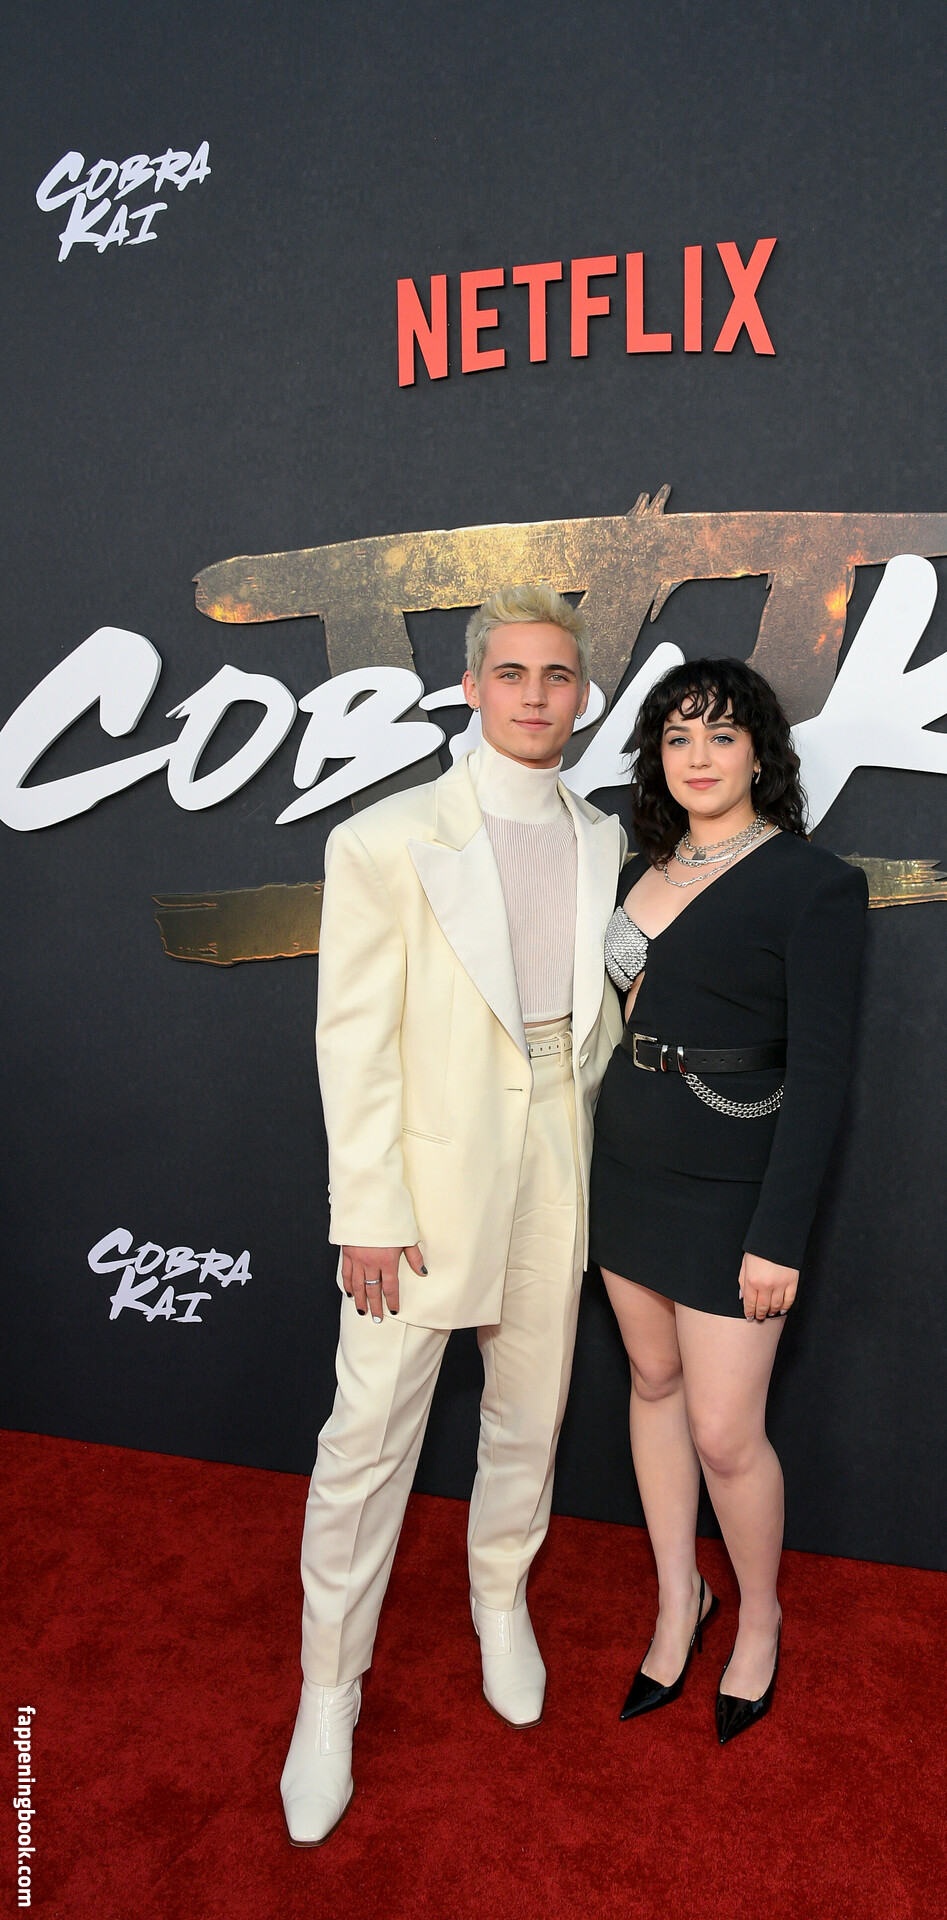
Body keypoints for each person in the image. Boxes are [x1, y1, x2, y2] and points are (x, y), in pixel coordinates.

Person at [281, 582, 626, 1845]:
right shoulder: (383, 838)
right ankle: (329, 1694)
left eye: (557, 675)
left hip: (559, 1148)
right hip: (426, 1174)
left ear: (580, 695)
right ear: (473, 687)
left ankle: (499, 1600)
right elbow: (353, 1041)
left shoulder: (604, 838)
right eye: (512, 674)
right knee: (368, 1438)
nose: (536, 696)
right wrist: (367, 1209)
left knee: (531, 1409)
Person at [589, 657, 867, 1745]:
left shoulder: (812, 883)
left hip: (734, 1183)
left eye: (721, 735)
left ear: (759, 753)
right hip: (627, 1164)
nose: (697, 757)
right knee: (652, 1382)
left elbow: (824, 1075)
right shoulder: (635, 867)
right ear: (655, 757)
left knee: (723, 1432)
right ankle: (679, 1600)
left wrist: (778, 1236)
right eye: (677, 737)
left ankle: (759, 1619)